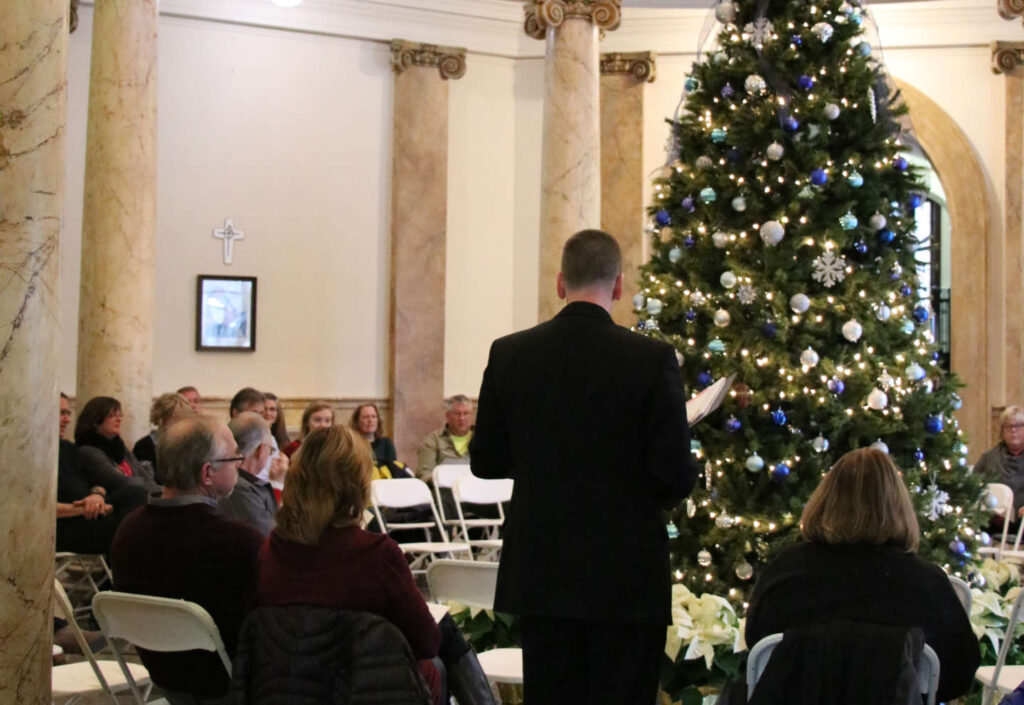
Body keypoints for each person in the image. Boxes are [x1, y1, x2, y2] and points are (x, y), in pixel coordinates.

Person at [470, 229, 697, 704]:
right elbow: (675, 475)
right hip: (627, 576)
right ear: (618, 287)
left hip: (544, 570)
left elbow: (487, 462)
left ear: (559, 283)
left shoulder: (510, 353)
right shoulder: (651, 360)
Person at [257, 425, 494, 705]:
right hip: (363, 687)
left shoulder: (271, 548)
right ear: (356, 484)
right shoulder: (376, 553)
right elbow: (426, 643)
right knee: (437, 654)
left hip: (290, 681)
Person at [745, 447, 980, 703]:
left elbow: (757, 645)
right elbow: (956, 676)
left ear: (825, 500)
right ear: (899, 506)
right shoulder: (927, 583)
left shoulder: (787, 572)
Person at [110, 415, 263, 704]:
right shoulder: (238, 542)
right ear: (207, 473)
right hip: (230, 687)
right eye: (235, 457)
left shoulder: (128, 530)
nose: (240, 464)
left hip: (166, 683)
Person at [56, 393, 148, 555]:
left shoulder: (68, 449)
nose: (67, 420)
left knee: (138, 503)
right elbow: (34, 508)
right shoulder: (37, 456)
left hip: (93, 515)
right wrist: (81, 509)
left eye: (68, 413)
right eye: (61, 413)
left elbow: (97, 482)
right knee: (138, 525)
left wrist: (97, 494)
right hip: (67, 525)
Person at [75, 396, 158, 493]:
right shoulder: (88, 450)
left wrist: (161, 493)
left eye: (120, 415)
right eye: (112, 416)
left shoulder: (118, 445)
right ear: (96, 420)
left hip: (139, 495)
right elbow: (119, 481)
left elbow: (145, 476)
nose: (119, 419)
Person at [218, 412, 277, 536]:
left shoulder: (232, 480)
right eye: (270, 450)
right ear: (261, 450)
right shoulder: (239, 488)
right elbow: (269, 538)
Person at [976, 405, 1024, 521]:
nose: (1013, 430)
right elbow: (973, 487)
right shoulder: (988, 458)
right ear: (1002, 432)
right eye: (1008, 427)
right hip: (993, 522)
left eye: (1018, 426)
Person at [132, 393, 193, 481]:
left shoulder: (190, 444)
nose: (182, 424)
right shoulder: (144, 446)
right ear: (162, 419)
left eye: (185, 419)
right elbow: (147, 482)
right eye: (177, 419)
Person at [416, 395, 474, 483]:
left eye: (465, 413)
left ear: (471, 416)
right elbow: (423, 474)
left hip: (478, 490)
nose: (462, 418)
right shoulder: (433, 440)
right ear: (447, 416)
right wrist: (443, 479)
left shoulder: (484, 440)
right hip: (443, 491)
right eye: (457, 414)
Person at [351, 402, 410, 480]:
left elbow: (392, 467)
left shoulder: (386, 443)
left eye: (373, 416)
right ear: (357, 422)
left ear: (378, 420)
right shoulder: (352, 444)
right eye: (365, 417)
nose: (370, 420)